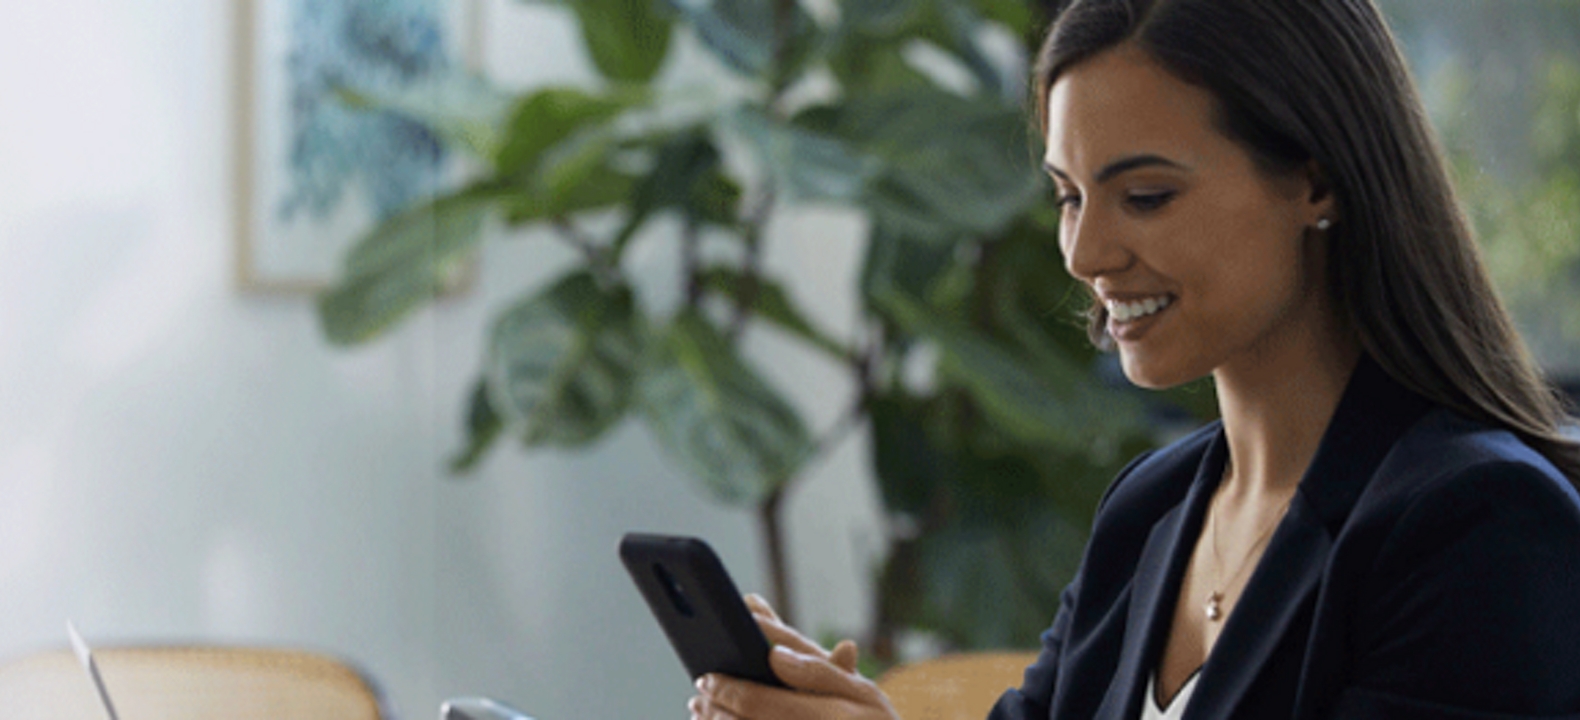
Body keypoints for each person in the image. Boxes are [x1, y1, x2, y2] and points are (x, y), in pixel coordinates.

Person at [688, 0, 1580, 717]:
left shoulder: (1482, 525)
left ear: (1317, 181)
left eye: (1145, 196)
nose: (1084, 254)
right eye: (1070, 197)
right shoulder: (1149, 512)